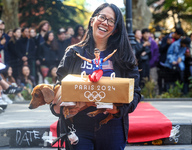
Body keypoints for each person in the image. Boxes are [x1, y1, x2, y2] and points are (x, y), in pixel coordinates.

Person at [55, 3, 141, 150]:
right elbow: (58, 87)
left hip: (112, 126)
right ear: (92, 21)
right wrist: (62, 106)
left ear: (115, 30)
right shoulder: (73, 53)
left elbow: (136, 93)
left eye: (111, 21)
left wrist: (117, 109)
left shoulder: (124, 57)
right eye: (102, 17)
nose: (105, 23)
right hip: (78, 125)